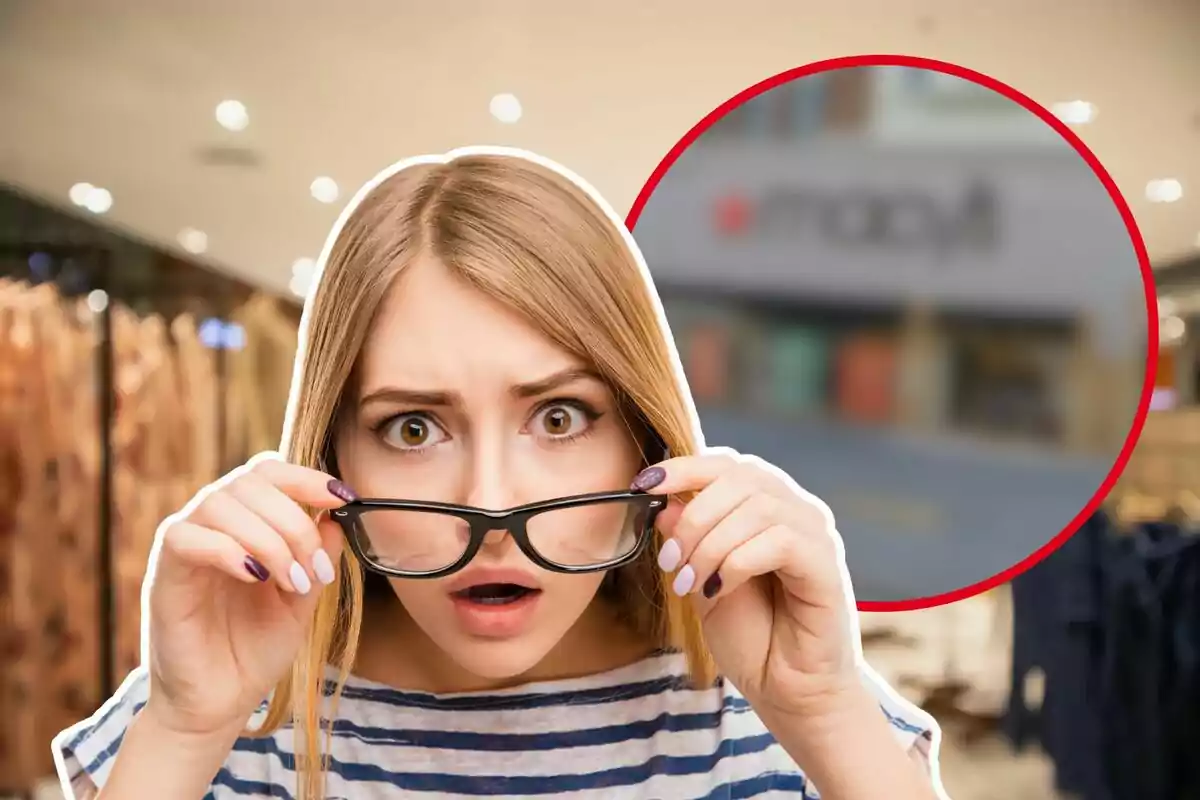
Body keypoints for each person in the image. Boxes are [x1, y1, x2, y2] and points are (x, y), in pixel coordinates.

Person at [53, 148, 943, 799]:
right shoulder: (226, 698)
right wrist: (181, 732)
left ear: (645, 439)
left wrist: (826, 717)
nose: (489, 505)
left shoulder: (777, 700)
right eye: (411, 427)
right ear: (333, 460)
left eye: (559, 417)